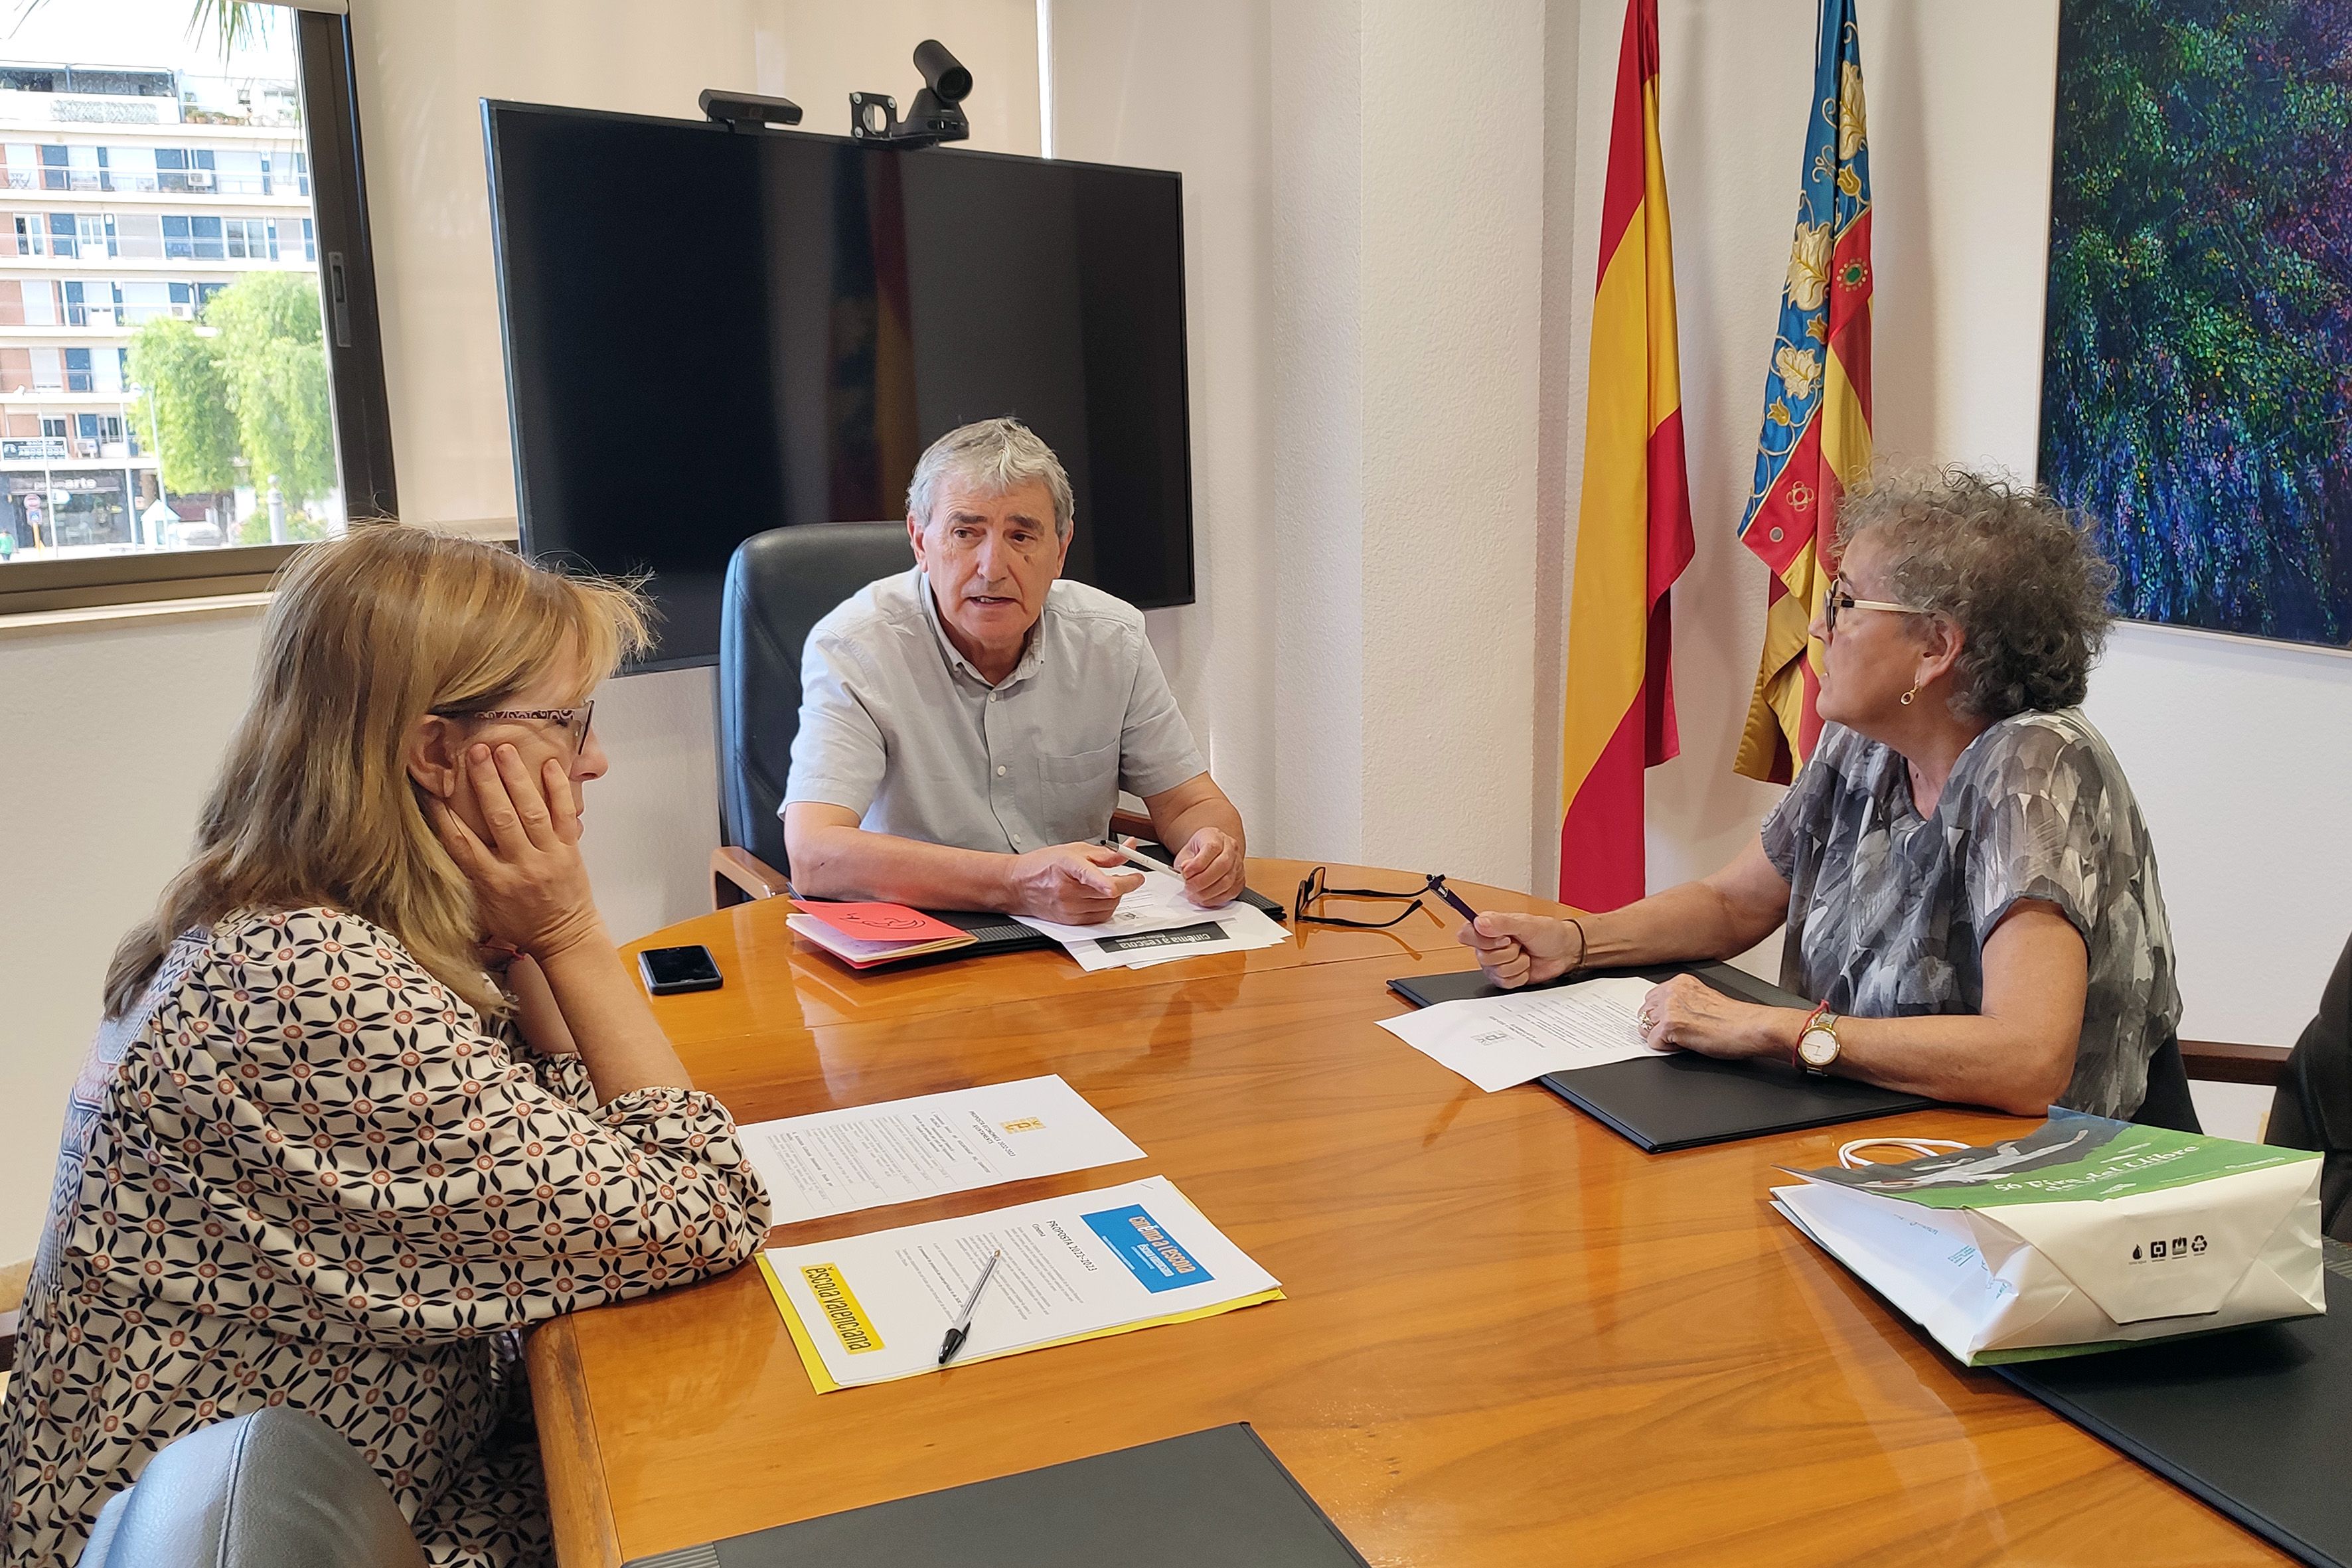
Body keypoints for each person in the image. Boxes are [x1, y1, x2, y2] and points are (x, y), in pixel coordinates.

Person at [0, 526, 771, 1567]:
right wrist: (568, 932)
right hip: (334, 1527)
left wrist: (524, 946)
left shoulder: (310, 919)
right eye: (568, 721)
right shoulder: (310, 985)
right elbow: (705, 1208)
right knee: (743, 1488)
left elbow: (574, 1141)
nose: (594, 758)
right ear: (436, 753)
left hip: (392, 1463)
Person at [1464, 470, 2179, 1119]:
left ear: (1935, 648)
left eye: (1843, 602)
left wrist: (1768, 1028)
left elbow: (2027, 1061)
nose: (1815, 626)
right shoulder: (1866, 742)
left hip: (2039, 1184)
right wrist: (1578, 942)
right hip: (1873, 1138)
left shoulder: (2036, 765)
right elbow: (1734, 903)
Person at [783, 417, 1245, 923]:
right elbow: (814, 855)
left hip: (1082, 931)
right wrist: (1014, 884)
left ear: (1060, 551)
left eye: (1021, 535)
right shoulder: (856, 646)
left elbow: (1188, 804)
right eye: (965, 533)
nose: (992, 567)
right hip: (923, 929)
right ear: (919, 540)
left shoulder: (1112, 638)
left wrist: (1214, 850)